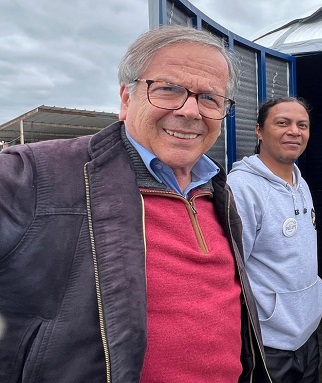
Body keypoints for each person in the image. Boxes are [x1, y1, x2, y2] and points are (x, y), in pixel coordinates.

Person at [0, 25, 271, 383]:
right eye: (168, 89)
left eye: (210, 98)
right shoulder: (33, 174)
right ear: (126, 99)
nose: (190, 111)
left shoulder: (217, 189)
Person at [228, 97, 322, 383]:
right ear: (259, 130)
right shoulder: (243, 188)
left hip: (307, 330)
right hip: (268, 341)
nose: (294, 131)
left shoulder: (299, 180)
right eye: (282, 123)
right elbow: (234, 271)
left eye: (302, 125)